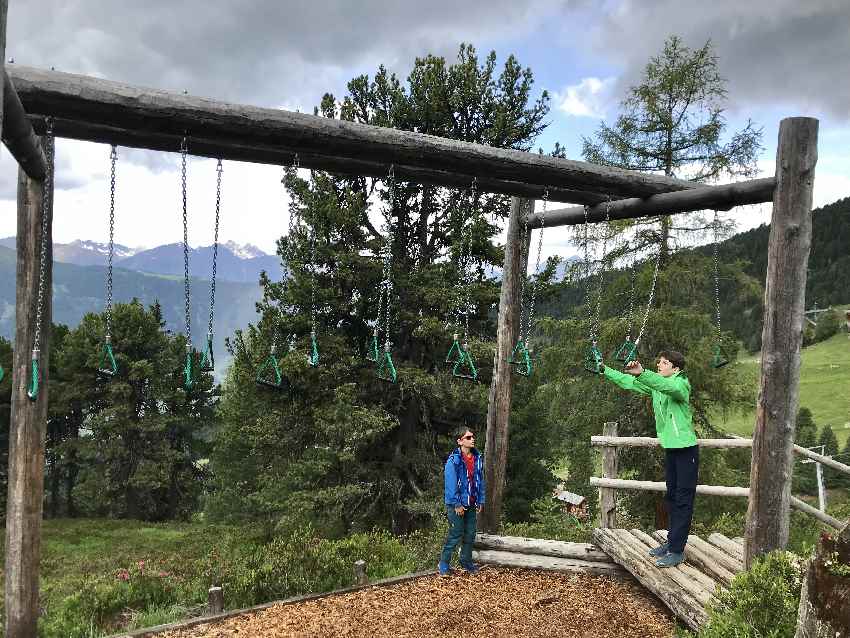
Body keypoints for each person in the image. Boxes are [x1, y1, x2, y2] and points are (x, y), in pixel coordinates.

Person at [599, 351, 698, 568]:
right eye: (659, 361)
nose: (659, 364)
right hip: (671, 448)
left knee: (683, 500)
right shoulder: (657, 384)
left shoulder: (681, 384)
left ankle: (677, 550)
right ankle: (671, 542)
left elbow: (669, 388)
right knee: (671, 497)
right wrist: (605, 370)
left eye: (664, 362)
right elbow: (629, 382)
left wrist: (644, 372)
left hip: (686, 449)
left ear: (676, 369)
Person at [438, 426, 485, 576]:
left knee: (470, 534)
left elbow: (480, 481)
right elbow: (450, 484)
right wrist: (457, 503)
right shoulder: (454, 460)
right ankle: (444, 564)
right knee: (455, 534)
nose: (473, 439)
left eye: (473, 437)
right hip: (456, 505)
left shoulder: (477, 458)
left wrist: (480, 500)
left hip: (471, 503)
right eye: (468, 437)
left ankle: (466, 562)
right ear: (460, 441)